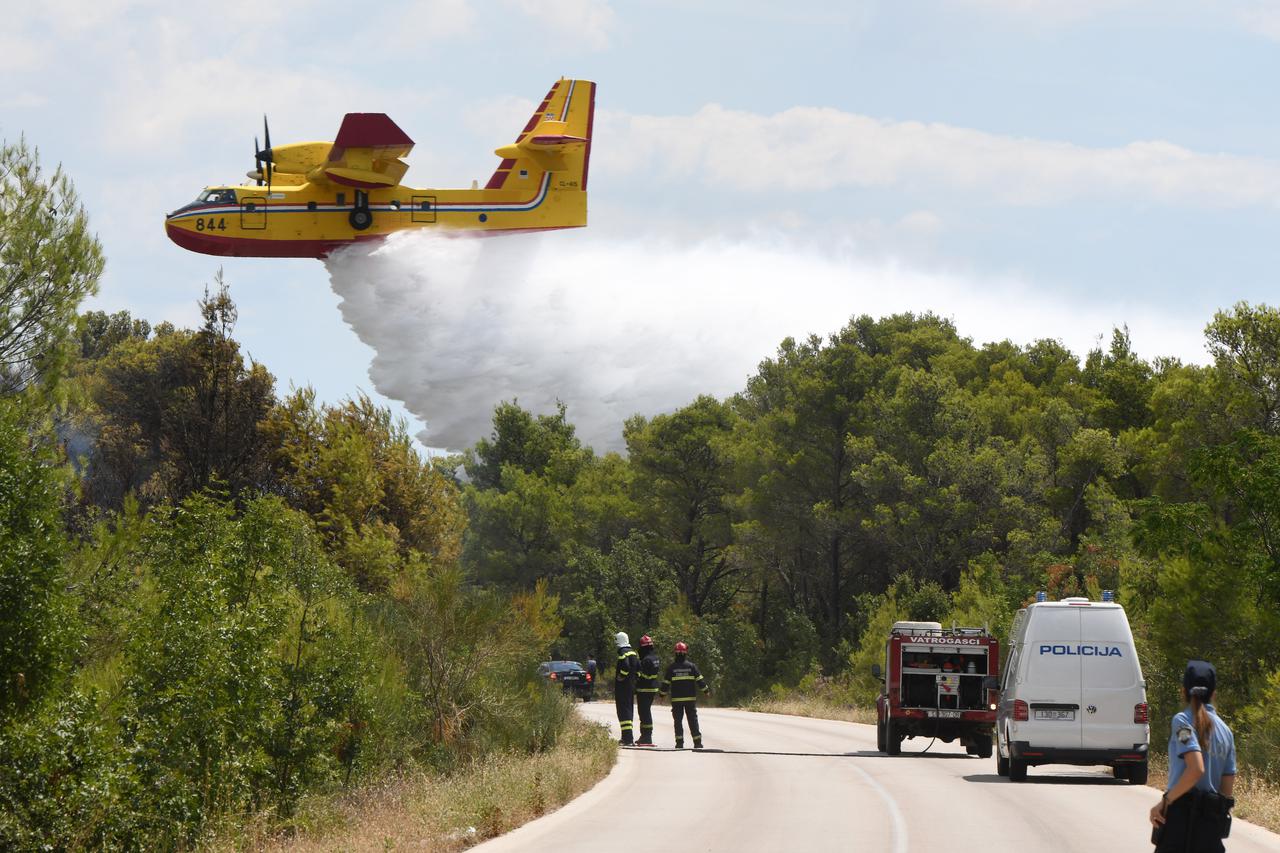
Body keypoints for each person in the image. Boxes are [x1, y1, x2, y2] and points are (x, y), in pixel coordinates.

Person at [1149, 660, 1237, 853]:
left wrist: (1165, 801)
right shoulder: (1226, 733)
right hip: (1210, 825)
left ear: (1183, 691)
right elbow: (1226, 789)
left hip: (1179, 821)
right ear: (1213, 694)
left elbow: (1196, 769)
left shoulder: (1181, 722)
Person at [660, 641, 711, 749]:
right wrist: (706, 691)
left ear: (675, 653)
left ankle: (679, 743)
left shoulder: (672, 668)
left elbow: (666, 684)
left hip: (676, 700)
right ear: (685, 653)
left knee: (678, 721)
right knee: (692, 720)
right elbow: (700, 680)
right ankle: (697, 743)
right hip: (690, 700)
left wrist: (662, 695)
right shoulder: (692, 666)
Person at [614, 632, 639, 745]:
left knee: (623, 712)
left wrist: (622, 676)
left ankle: (627, 739)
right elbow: (639, 668)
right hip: (631, 686)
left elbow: (625, 666)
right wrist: (634, 679)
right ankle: (628, 737)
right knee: (629, 711)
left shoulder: (622, 653)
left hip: (623, 687)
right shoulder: (633, 652)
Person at [635, 635, 660, 745]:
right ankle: (645, 736)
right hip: (652, 688)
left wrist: (637, 676)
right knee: (646, 712)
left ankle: (647, 737)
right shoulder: (655, 658)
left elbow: (644, 676)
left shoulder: (646, 660)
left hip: (644, 689)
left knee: (644, 713)